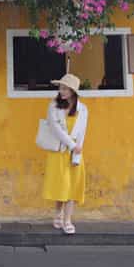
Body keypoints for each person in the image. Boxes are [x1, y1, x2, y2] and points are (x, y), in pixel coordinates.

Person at [42, 73, 88, 235]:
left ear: (73, 91)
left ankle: (67, 220)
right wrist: (72, 145)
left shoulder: (82, 109)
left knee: (72, 188)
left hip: (75, 153)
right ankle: (58, 214)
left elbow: (82, 132)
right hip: (59, 152)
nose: (61, 91)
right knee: (62, 187)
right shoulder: (53, 106)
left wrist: (77, 151)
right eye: (60, 88)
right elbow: (56, 129)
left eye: (65, 89)